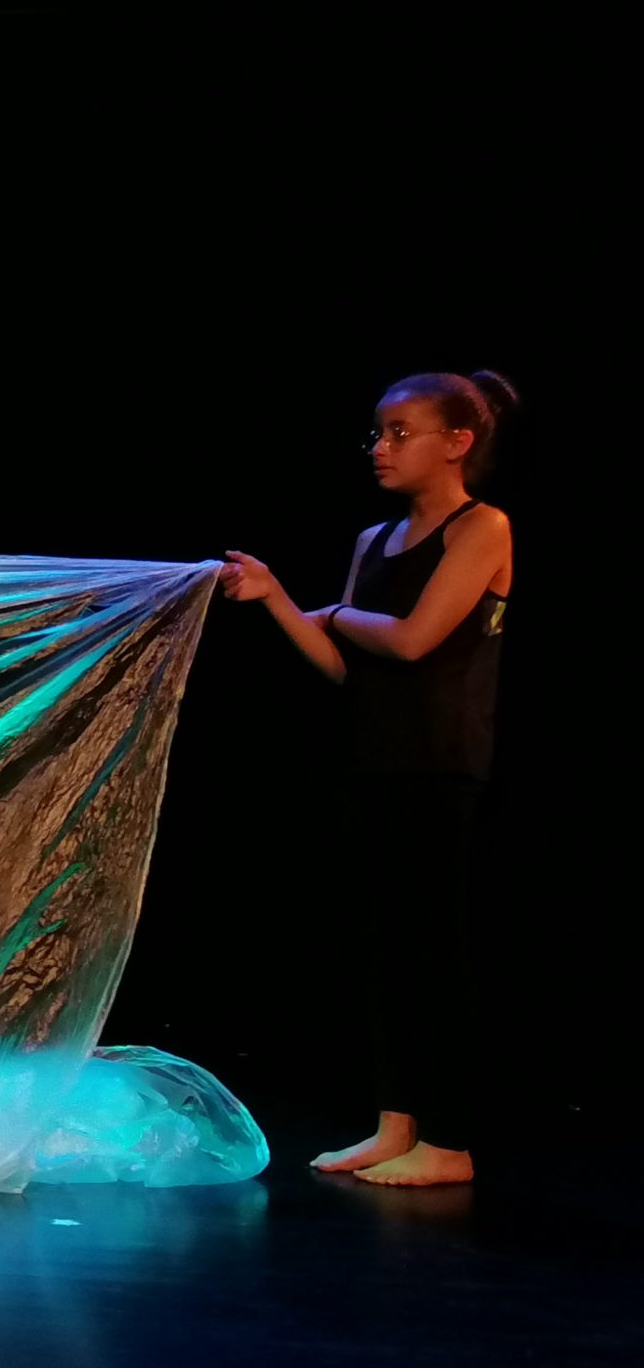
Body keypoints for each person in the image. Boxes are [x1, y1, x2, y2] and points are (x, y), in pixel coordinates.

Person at [218, 369, 518, 1188]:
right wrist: (279, 598)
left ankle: (450, 1142)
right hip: (374, 760)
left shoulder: (482, 527)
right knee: (386, 951)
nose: (381, 448)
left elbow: (416, 639)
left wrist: (339, 615)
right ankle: (397, 1126)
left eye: (400, 433)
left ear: (457, 442)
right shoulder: (371, 541)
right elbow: (342, 665)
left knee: (435, 951)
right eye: (378, 433)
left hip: (441, 765)